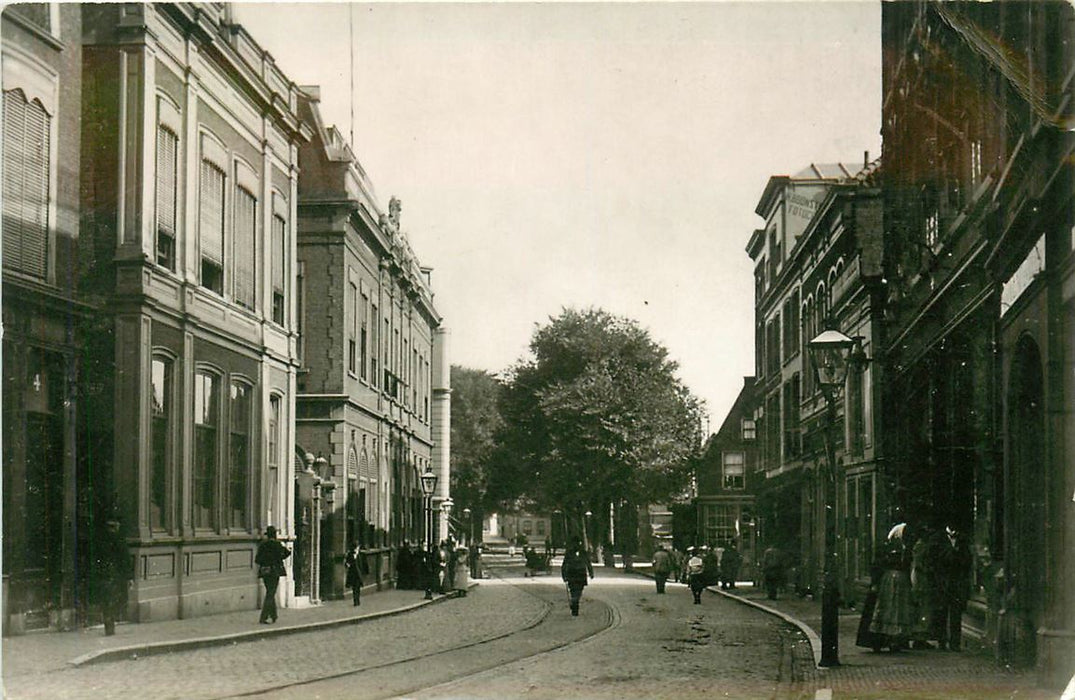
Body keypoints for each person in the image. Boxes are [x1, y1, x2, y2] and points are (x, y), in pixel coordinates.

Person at [869, 522, 915, 651]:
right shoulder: (891, 549)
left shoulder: (902, 549)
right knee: (890, 609)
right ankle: (888, 639)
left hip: (893, 581)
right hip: (891, 581)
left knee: (893, 609)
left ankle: (894, 639)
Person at [936, 524, 972, 651]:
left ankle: (955, 643)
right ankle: (941, 641)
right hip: (943, 582)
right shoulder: (939, 539)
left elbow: (968, 561)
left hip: (957, 583)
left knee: (956, 614)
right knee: (942, 613)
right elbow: (935, 560)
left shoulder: (963, 540)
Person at [94, 518, 131, 636]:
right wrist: (129, 577)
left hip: (103, 574)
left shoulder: (100, 540)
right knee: (114, 600)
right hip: (115, 575)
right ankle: (111, 627)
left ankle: (108, 625)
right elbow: (125, 559)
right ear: (116, 526)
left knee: (106, 600)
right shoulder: (119, 540)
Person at [255, 526, 291, 624]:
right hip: (275, 571)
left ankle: (274, 615)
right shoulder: (277, 544)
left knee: (270, 592)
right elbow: (287, 553)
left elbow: (257, 560)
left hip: (265, 571)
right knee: (271, 593)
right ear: (274, 534)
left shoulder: (263, 545)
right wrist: (279, 558)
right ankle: (263, 617)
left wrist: (265, 562)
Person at [561, 537, 594, 616]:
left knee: (576, 591)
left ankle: (575, 603)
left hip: (577, 574)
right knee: (575, 591)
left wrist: (591, 572)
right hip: (576, 573)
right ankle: (575, 603)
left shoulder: (581, 553)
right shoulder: (572, 553)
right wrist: (564, 575)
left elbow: (588, 563)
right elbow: (564, 564)